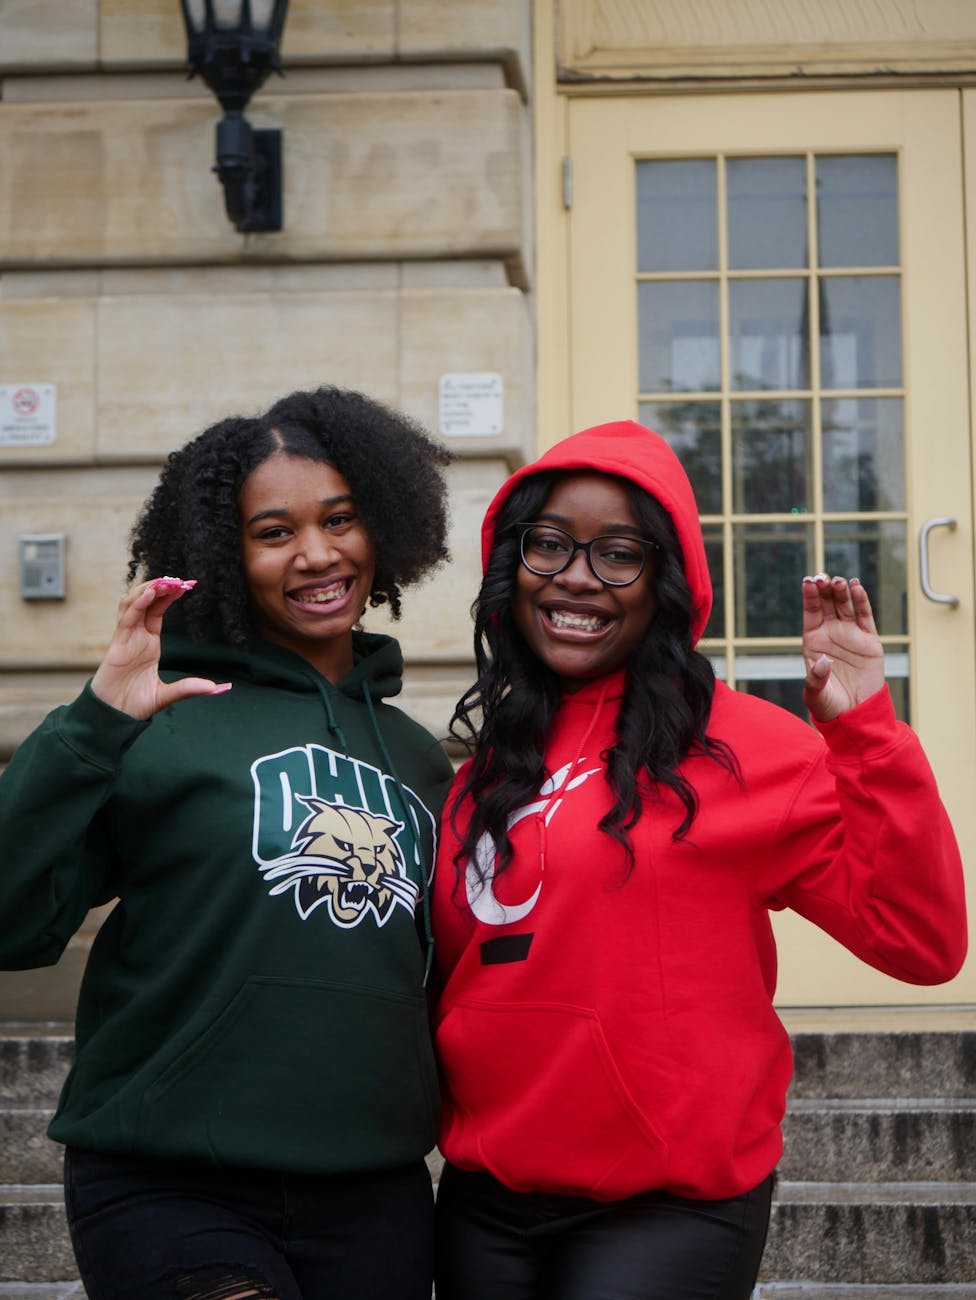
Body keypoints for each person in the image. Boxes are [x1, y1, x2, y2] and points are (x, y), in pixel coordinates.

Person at [431, 419, 967, 1300]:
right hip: (485, 1198)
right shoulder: (486, 770)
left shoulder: (750, 748)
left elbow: (921, 942)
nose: (576, 576)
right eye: (550, 544)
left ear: (667, 584)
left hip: (667, 1206)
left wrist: (867, 733)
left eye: (618, 555)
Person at [0, 386, 456, 1300]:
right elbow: (12, 924)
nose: (318, 554)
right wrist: (92, 724)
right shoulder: (160, 715)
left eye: (340, 519)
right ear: (222, 553)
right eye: (274, 532)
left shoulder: (417, 757)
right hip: (169, 1174)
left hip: (374, 1186)